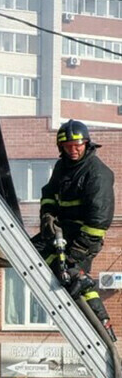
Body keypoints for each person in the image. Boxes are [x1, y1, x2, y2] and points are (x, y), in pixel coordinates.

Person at [32, 119, 115, 324]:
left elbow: (98, 220)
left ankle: (101, 324)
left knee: (71, 274)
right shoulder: (63, 166)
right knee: (34, 251)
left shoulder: (97, 173)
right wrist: (48, 215)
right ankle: (98, 314)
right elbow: (49, 193)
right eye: (67, 146)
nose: (73, 150)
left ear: (87, 144)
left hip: (85, 236)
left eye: (77, 146)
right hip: (64, 228)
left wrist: (77, 252)